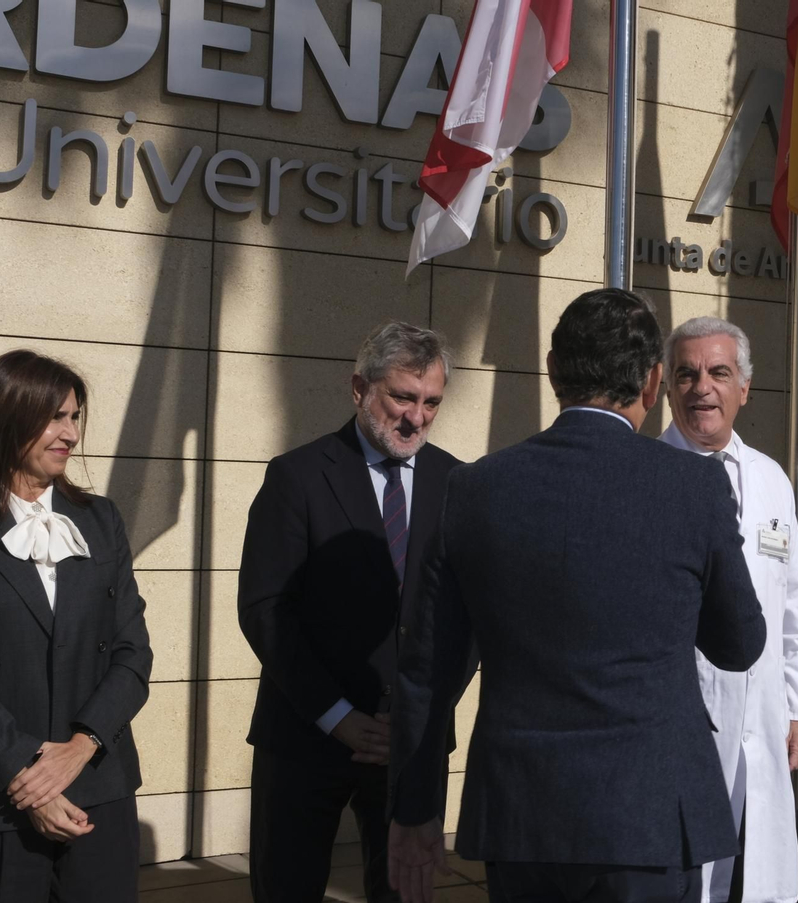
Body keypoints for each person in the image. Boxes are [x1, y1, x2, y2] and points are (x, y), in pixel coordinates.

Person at [387, 288, 767, 903]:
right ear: (652, 382)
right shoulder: (695, 486)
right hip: (648, 815)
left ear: (553, 371)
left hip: (522, 812)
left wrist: (412, 811)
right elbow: (740, 643)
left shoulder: (474, 488)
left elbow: (427, 671)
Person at [0, 349, 152, 902]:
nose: (70, 433)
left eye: (74, 416)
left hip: (97, 787)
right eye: (55, 417)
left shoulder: (101, 519)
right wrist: (30, 780)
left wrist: (82, 745)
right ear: (6, 419)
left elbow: (132, 653)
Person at [238, 322, 462, 903]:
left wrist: (422, 715)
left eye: (432, 401)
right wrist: (337, 716)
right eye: (403, 397)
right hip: (306, 738)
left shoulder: (458, 483)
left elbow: (469, 620)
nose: (417, 416)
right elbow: (267, 609)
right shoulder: (297, 476)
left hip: (411, 745)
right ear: (359, 388)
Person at [659, 317, 798, 903]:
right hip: (682, 724)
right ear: (668, 387)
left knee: (755, 875)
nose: (703, 386)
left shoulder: (772, 478)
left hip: (767, 723)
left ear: (744, 389)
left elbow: (797, 599)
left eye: (719, 372)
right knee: (690, 879)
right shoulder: (647, 476)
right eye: (687, 373)